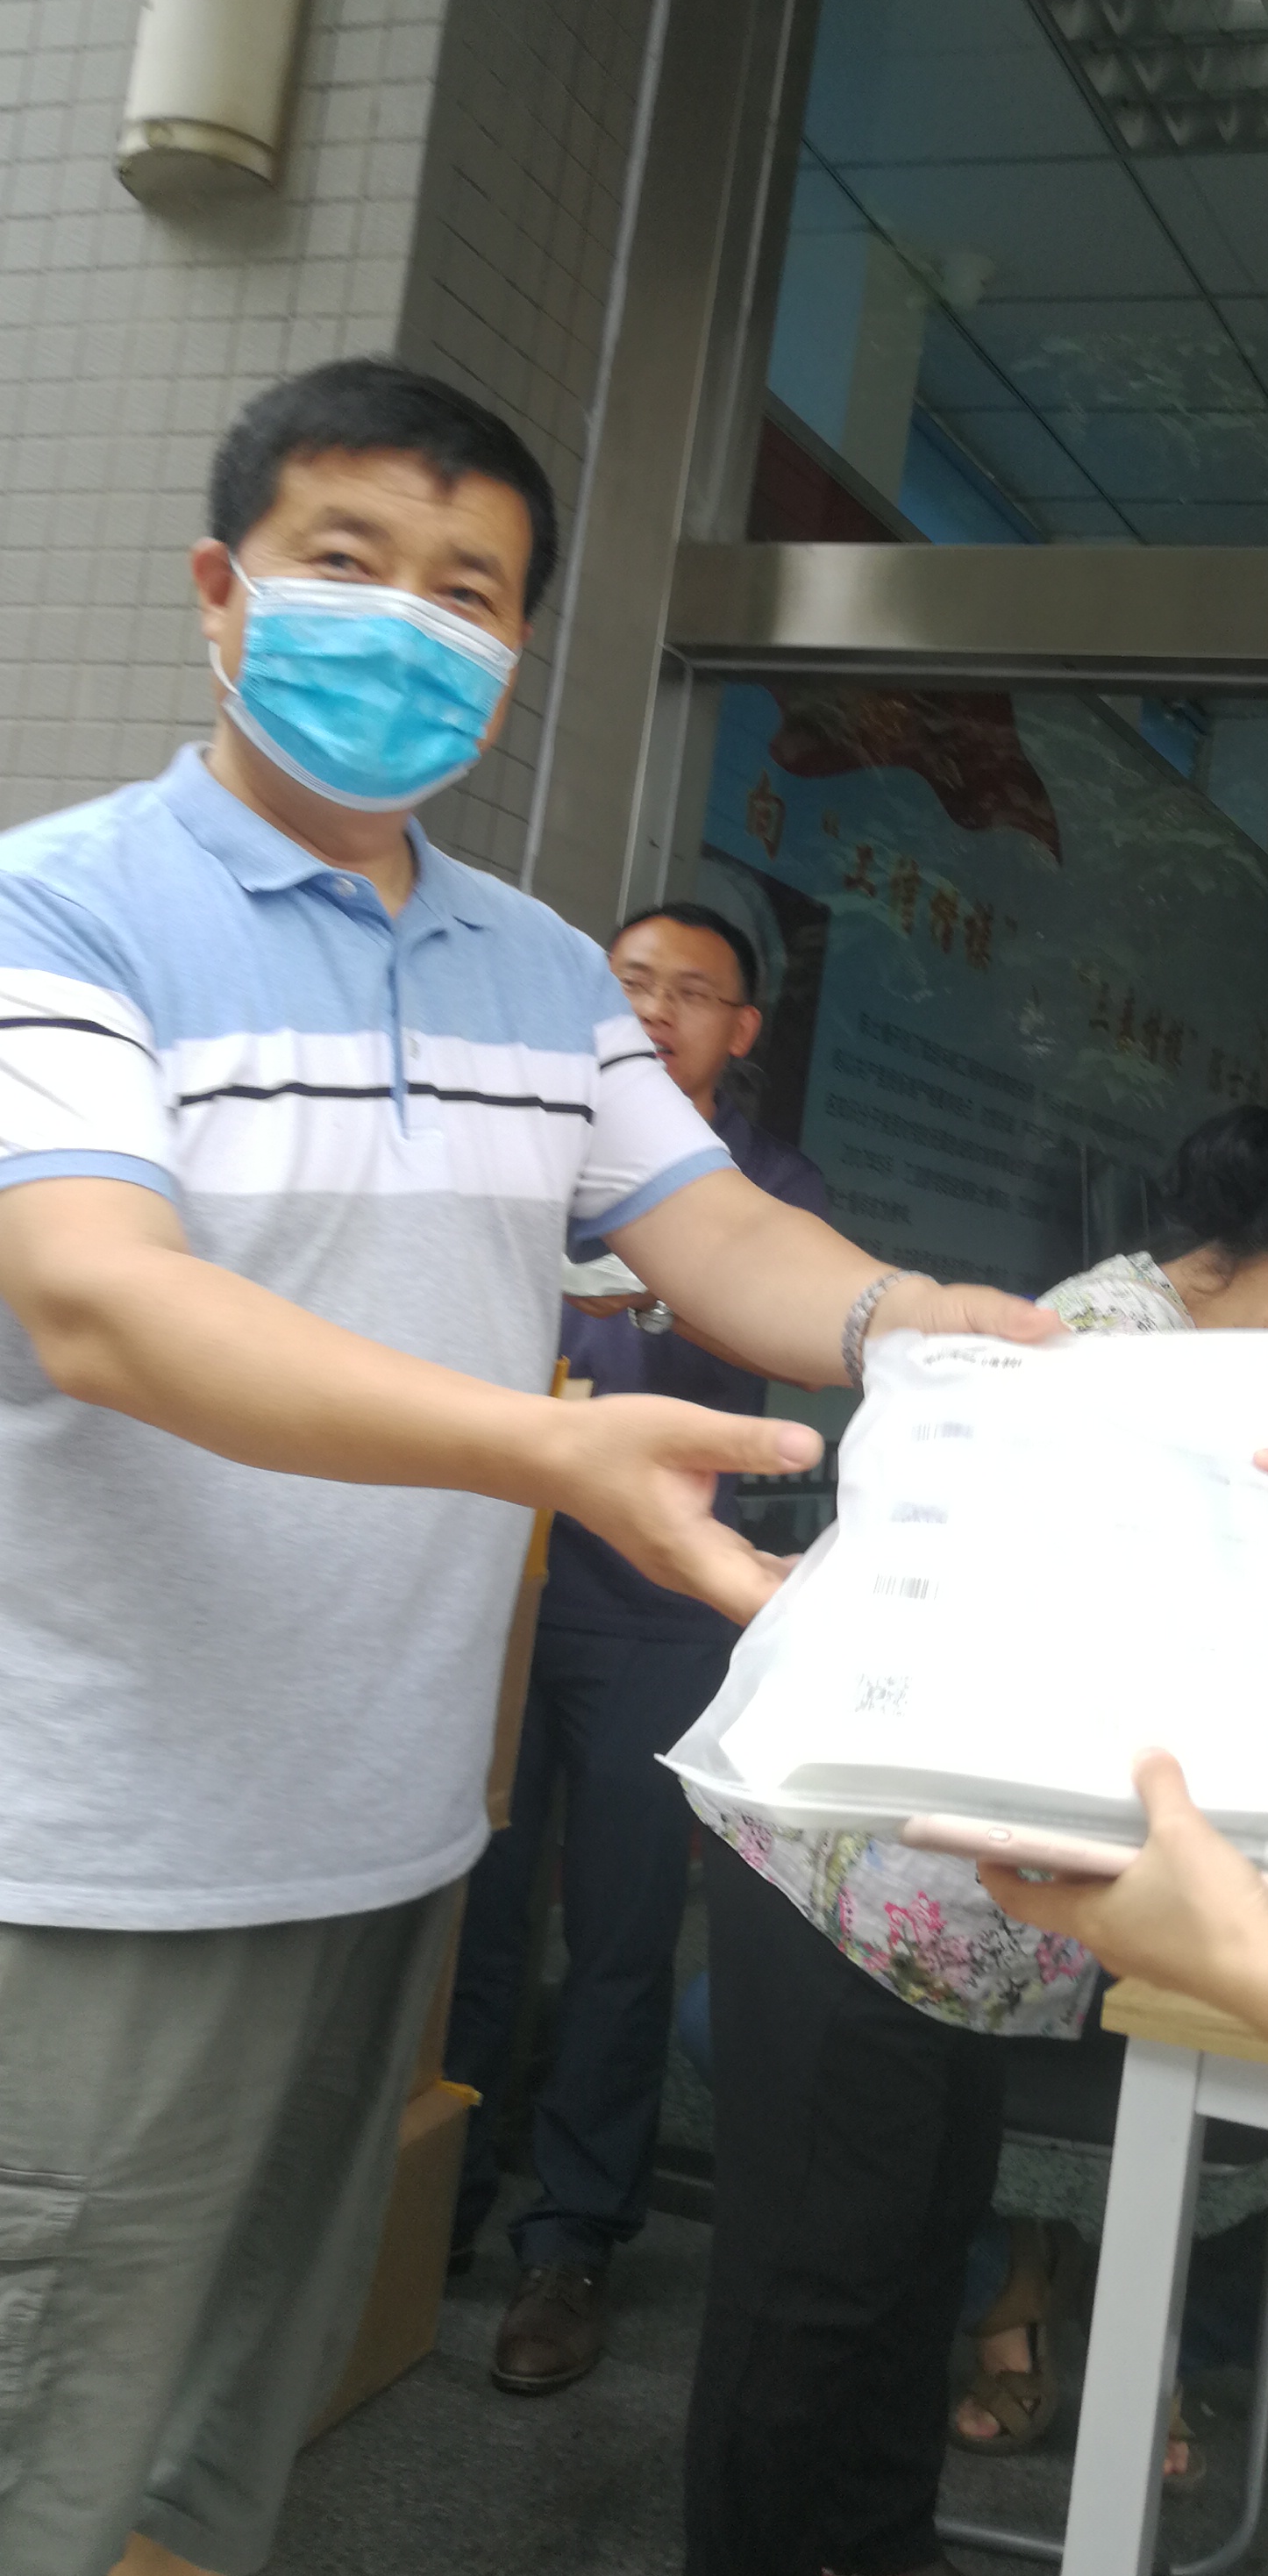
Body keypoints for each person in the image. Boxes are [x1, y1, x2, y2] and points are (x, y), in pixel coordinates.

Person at [0, 355, 1051, 2576]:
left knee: (224, 2432)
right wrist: (548, 1448)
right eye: (348, 561)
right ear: (221, 589)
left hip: (383, 1832)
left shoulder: (544, 970)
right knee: (40, 2432)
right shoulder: (56, 910)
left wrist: (916, 1322)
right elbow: (101, 1300)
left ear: (519, 646)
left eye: (466, 591)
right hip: (93, 1847)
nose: (407, 623)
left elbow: (719, 1233)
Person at [687, 1105, 1268, 2576]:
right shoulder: (1110, 1361)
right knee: (809, 2299)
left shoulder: (1208, 1370)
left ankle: (882, 2553)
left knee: (911, 2270)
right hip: (848, 1891)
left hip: (961, 1923)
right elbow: (1112, 1660)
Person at [445, 896, 830, 2394]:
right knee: (470, 1911)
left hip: (655, 1614)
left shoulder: (763, 1188)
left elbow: (787, 1332)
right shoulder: (524, 1146)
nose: (656, 1010)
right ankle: (433, 2201)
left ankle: (570, 2240)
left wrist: (665, 1276)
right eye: (632, 984)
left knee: (616, 1933)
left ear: (744, 1027)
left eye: (692, 992)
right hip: (496, 1586)